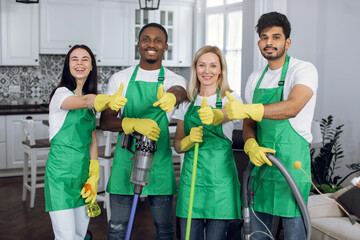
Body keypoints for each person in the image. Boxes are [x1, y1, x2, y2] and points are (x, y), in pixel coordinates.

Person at [225, 12, 318, 239]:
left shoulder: (303, 70)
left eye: (276, 37)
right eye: (264, 37)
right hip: (261, 164)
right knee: (257, 232)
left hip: (292, 165)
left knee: (295, 230)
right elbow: (249, 123)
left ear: (287, 42)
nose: (269, 42)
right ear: (259, 42)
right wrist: (250, 144)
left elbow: (293, 106)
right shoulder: (255, 77)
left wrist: (252, 109)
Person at [100, 23, 187, 240]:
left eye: (158, 40)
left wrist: (171, 97)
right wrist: (131, 123)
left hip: (158, 162)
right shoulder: (121, 79)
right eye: (146, 39)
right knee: (117, 227)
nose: (151, 44)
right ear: (138, 44)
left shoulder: (172, 79)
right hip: (125, 162)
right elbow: (106, 121)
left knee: (164, 229)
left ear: (165, 47)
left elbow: (181, 91)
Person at [45, 44, 127, 240]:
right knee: (65, 236)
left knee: (80, 234)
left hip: (82, 176)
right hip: (60, 177)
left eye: (85, 59)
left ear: (91, 66)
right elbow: (82, 102)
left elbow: (91, 135)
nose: (79, 63)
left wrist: (94, 170)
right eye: (74, 59)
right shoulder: (61, 94)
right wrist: (105, 100)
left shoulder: (91, 104)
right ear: (68, 65)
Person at [173, 45, 242, 240]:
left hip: (220, 181)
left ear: (221, 69)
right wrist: (188, 140)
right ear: (196, 68)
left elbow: (231, 113)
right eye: (202, 65)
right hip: (191, 181)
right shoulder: (187, 102)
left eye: (213, 65)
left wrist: (215, 115)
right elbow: (177, 145)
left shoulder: (230, 98)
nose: (207, 71)